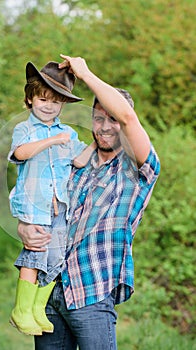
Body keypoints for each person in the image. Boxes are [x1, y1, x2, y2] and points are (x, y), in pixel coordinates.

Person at [17, 54, 160, 349]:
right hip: (49, 293)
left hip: (90, 294)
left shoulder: (137, 169)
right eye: (98, 118)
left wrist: (86, 74)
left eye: (112, 120)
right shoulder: (74, 161)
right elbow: (43, 202)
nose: (105, 126)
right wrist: (23, 227)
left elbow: (127, 117)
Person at [8, 60, 96, 336]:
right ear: (30, 99)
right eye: (43, 99)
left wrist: (95, 143)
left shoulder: (67, 133)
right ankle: (20, 310)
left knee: (55, 259)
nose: (48, 106)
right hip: (35, 206)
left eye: (56, 102)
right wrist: (50, 141)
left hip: (60, 208)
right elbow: (19, 154)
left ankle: (36, 308)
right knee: (34, 255)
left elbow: (79, 161)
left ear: (63, 106)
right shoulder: (24, 129)